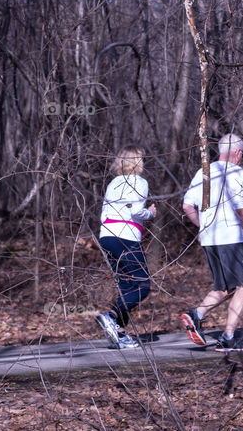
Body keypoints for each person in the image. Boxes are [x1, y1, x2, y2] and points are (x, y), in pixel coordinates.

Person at [180, 133, 243, 352]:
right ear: (237, 152)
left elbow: (187, 206)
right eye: (242, 155)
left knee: (226, 287)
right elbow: (241, 209)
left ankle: (196, 314)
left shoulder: (203, 172)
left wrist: (202, 226)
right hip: (231, 238)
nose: (242, 159)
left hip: (210, 240)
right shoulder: (236, 172)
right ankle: (228, 337)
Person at [95, 146, 157, 349]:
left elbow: (104, 213)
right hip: (126, 237)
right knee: (142, 286)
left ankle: (120, 332)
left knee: (126, 286)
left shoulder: (113, 183)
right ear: (138, 162)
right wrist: (150, 213)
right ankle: (111, 316)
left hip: (107, 236)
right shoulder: (139, 182)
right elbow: (137, 211)